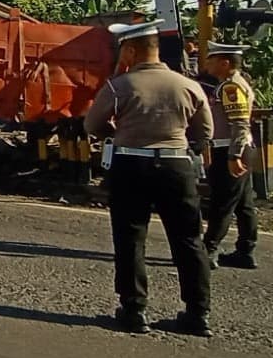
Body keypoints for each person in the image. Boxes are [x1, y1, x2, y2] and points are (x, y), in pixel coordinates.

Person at [83, 19, 214, 337]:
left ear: (130, 49)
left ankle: (134, 311)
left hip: (132, 166)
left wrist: (116, 132)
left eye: (122, 49)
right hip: (177, 167)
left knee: (130, 238)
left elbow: (92, 126)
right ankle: (198, 315)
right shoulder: (188, 86)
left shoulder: (120, 86)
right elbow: (204, 132)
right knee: (188, 240)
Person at [202, 41, 259, 270]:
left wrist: (233, 155)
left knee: (222, 202)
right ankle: (245, 250)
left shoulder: (230, 87)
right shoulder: (233, 83)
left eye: (211, 60)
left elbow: (239, 124)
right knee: (244, 203)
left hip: (230, 149)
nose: (208, 64)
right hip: (239, 148)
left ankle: (209, 249)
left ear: (225, 62)